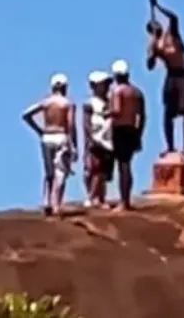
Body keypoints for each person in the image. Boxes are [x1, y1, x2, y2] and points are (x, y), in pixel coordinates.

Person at [22, 73, 77, 216]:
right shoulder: (67, 104)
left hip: (47, 137)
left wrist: (39, 130)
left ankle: (46, 201)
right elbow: (71, 125)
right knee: (61, 172)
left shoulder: (46, 103)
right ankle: (56, 204)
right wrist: (73, 144)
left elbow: (26, 115)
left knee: (49, 171)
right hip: (61, 136)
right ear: (65, 87)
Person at [147, 0, 184, 154]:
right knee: (168, 111)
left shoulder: (171, 33)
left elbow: (174, 18)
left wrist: (158, 6)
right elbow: (150, 66)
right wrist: (152, 53)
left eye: (156, 25)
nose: (156, 27)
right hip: (172, 75)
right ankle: (170, 145)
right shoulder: (155, 44)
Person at [109, 60, 146, 211]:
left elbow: (117, 110)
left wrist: (105, 113)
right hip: (133, 129)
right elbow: (142, 115)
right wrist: (139, 132)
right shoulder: (137, 92)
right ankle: (126, 200)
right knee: (127, 165)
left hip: (120, 129)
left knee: (122, 166)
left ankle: (124, 201)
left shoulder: (118, 91)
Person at [82, 71, 113, 209]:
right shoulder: (90, 104)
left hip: (108, 139)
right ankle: (93, 196)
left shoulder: (110, 102)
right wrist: (90, 138)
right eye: (103, 84)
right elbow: (86, 123)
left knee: (103, 171)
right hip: (96, 139)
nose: (106, 87)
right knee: (94, 169)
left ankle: (100, 197)